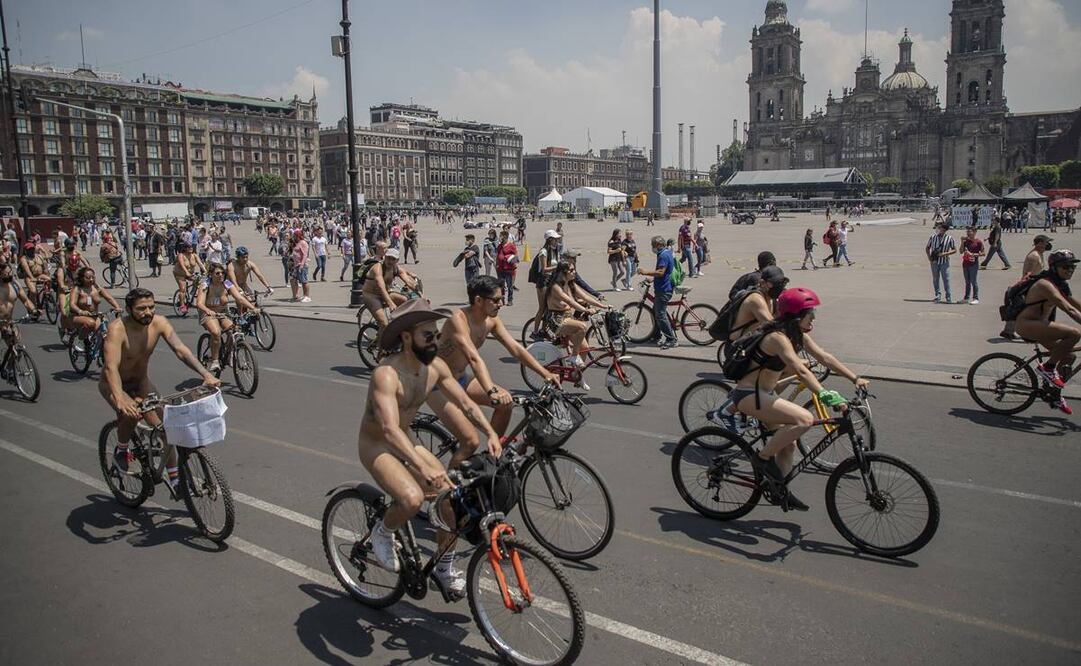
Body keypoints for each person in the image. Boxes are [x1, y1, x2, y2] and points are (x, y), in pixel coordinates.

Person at [358, 299, 502, 594]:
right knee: (412, 499)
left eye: (436, 335)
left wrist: (490, 432)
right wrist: (422, 466)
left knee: (450, 500)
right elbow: (388, 428)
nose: (435, 341)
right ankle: (382, 532)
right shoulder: (386, 374)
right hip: (378, 445)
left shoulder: (435, 367)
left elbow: (465, 403)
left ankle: (443, 568)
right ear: (407, 338)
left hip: (406, 439)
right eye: (428, 336)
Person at [729, 288, 870, 511]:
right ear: (796, 316)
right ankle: (762, 459)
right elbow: (801, 371)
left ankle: (779, 489)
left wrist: (855, 378)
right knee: (804, 419)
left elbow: (825, 357)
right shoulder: (777, 338)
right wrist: (825, 395)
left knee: (788, 446)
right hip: (749, 396)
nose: (813, 316)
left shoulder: (797, 335)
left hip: (766, 395)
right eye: (810, 312)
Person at [100, 288, 221, 492]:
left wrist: (206, 374)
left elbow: (181, 350)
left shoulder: (159, 323)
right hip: (115, 384)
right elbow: (111, 367)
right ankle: (121, 449)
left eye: (151, 307)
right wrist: (120, 398)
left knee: (168, 428)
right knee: (131, 414)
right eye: (141, 309)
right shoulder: (117, 328)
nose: (148, 312)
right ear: (129, 309)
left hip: (141, 382)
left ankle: (174, 479)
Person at [437, 276, 559, 439]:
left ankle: (492, 456)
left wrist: (545, 373)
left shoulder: (492, 321)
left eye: (501, 299)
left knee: (505, 405)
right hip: (439, 384)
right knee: (470, 442)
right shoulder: (458, 321)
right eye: (496, 300)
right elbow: (473, 358)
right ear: (478, 300)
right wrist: (491, 391)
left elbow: (515, 348)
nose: (501, 304)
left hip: (461, 379)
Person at [1013, 250, 1081, 414]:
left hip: (1041, 325)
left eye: (1072, 267)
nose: (1070, 270)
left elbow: (1076, 304)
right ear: (1054, 267)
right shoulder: (1045, 284)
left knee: (1069, 356)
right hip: (1028, 324)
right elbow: (1069, 309)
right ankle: (1048, 367)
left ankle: (1054, 394)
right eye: (1065, 267)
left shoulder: (1059, 283)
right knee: (1074, 334)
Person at [543, 262, 606, 384]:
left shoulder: (571, 284)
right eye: (571, 270)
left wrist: (603, 306)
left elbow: (586, 297)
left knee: (585, 348)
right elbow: (571, 302)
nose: (574, 272)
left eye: (574, 270)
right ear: (563, 272)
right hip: (556, 321)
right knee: (582, 326)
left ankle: (576, 375)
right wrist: (586, 310)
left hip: (568, 318)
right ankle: (573, 356)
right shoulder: (556, 287)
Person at [195, 263, 259, 373]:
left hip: (223, 313)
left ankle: (229, 356)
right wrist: (208, 310)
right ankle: (215, 360)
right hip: (208, 314)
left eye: (222, 273)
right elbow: (199, 303)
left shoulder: (227, 283)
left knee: (233, 330)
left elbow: (239, 298)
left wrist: (252, 308)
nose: (221, 275)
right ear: (211, 274)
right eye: (217, 273)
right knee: (216, 333)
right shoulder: (205, 284)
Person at [361, 247, 418, 330]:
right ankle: (380, 342)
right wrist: (390, 303)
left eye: (393, 259)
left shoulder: (396, 268)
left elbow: (409, 282)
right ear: (385, 257)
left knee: (406, 301)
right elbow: (381, 287)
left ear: (397, 260)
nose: (390, 261)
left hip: (386, 293)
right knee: (384, 324)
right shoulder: (378, 268)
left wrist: (421, 295)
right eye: (388, 258)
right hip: (372, 295)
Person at [638, 235, 678, 349]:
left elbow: (661, 272)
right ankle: (656, 336)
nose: (652, 248)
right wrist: (652, 278)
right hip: (663, 287)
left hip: (664, 289)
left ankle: (671, 339)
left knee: (660, 315)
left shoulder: (663, 255)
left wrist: (645, 272)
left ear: (659, 245)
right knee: (656, 312)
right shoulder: (666, 253)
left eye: (653, 246)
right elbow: (663, 273)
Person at [66, 267, 121, 339]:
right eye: (88, 278)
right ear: (82, 278)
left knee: (105, 332)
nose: (91, 279)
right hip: (78, 316)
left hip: (95, 316)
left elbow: (109, 298)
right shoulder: (77, 289)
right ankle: (80, 340)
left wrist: (117, 307)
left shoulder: (97, 288)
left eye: (93, 277)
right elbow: (72, 304)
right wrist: (81, 311)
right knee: (90, 323)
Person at [528, 230, 563, 339]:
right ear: (549, 240)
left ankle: (544, 330)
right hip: (543, 281)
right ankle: (535, 332)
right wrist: (558, 267)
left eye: (557, 239)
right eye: (555, 239)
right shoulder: (543, 252)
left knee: (549, 308)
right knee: (542, 307)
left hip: (552, 280)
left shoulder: (555, 250)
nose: (557, 241)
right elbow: (544, 269)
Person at [1, 262, 39, 349]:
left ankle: (13, 361)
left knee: (16, 346)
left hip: (8, 323)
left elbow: (26, 301)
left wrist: (33, 310)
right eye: (6, 274)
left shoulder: (15, 285)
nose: (9, 276)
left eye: (10, 273)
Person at [926, 222, 957, 303]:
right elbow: (927, 248)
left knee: (946, 279)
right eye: (940, 229)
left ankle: (948, 296)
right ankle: (937, 295)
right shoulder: (933, 237)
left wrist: (945, 254)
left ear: (945, 230)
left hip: (944, 262)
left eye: (942, 230)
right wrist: (929, 258)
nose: (940, 231)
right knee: (935, 279)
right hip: (934, 262)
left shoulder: (949, 238)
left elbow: (954, 250)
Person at [172, 242, 204, 317]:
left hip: (190, 274)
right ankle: (182, 305)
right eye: (189, 247)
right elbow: (182, 265)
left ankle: (192, 294)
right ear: (185, 248)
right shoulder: (181, 255)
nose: (191, 248)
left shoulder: (194, 255)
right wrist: (186, 272)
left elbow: (201, 264)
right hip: (179, 274)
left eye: (191, 247)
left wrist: (206, 271)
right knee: (183, 289)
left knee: (199, 281)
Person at [17, 242, 50, 306]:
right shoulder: (24, 259)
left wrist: (47, 274)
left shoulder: (39, 256)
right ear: (26, 251)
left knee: (49, 279)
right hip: (29, 277)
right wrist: (32, 278)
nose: (31, 250)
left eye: (32, 249)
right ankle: (33, 307)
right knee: (33, 291)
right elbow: (27, 270)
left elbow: (45, 268)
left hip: (40, 275)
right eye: (29, 249)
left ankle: (47, 296)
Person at [960, 227, 985, 304]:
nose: (968, 233)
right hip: (965, 263)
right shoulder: (966, 241)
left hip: (973, 264)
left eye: (969, 232)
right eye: (967, 232)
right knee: (967, 282)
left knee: (973, 281)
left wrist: (973, 254)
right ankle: (966, 298)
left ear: (974, 232)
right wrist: (962, 242)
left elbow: (983, 253)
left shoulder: (978, 242)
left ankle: (975, 298)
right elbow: (961, 251)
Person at [495, 229, 518, 305]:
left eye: (501, 236)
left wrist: (513, 262)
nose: (500, 238)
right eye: (500, 236)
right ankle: (502, 299)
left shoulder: (511, 245)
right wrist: (496, 264)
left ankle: (510, 300)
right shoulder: (499, 246)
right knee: (501, 285)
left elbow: (515, 256)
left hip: (508, 268)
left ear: (506, 237)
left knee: (509, 285)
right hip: (500, 268)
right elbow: (497, 255)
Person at [290, 230, 311, 303]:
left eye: (295, 235)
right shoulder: (298, 243)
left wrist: (302, 264)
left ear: (298, 235)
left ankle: (307, 296)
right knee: (293, 279)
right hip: (296, 265)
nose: (294, 236)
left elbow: (305, 255)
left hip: (302, 265)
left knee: (304, 280)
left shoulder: (303, 243)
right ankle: (298, 295)